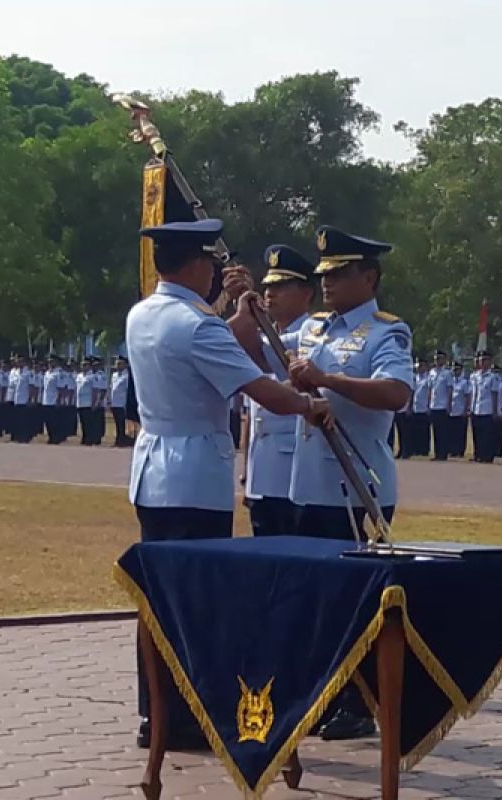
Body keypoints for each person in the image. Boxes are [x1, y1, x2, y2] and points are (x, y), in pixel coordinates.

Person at [128, 219, 332, 751]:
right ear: (197, 266)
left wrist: (240, 319)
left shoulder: (145, 313)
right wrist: (308, 404)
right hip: (194, 474)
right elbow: (259, 386)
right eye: (212, 267)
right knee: (194, 603)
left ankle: (156, 713)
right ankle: (185, 716)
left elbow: (215, 355)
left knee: (157, 600)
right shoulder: (198, 325)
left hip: (153, 469)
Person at [231, 224, 408, 743]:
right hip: (303, 485)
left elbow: (396, 392)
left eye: (340, 273)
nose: (327, 281)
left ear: (369, 277)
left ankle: (355, 702)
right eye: (325, 273)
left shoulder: (385, 332)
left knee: (347, 602)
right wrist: (243, 302)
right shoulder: (312, 330)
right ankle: (317, 695)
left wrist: (328, 382)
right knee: (309, 600)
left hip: (353, 486)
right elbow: (252, 353)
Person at [242, 243, 316, 537]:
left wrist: (241, 314)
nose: (270, 293)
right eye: (268, 285)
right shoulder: (266, 334)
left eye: (282, 286)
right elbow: (252, 411)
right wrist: (247, 468)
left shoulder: (312, 332)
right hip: (263, 465)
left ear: (307, 293)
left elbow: (258, 354)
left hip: (295, 464)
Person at [469, 351, 500, 463]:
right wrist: (470, 407)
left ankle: (487, 456)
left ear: (489, 362)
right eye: (481, 360)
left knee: (487, 435)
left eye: (485, 360)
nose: (482, 362)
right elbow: (472, 393)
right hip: (476, 408)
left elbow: (494, 394)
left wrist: (495, 411)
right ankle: (478, 454)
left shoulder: (493, 377)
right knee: (477, 433)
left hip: (487, 408)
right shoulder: (474, 376)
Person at [428, 351, 453, 461]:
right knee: (435, 430)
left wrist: (448, 404)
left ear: (444, 360)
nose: (437, 361)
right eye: (436, 358)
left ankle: (443, 454)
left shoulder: (447, 373)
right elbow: (430, 389)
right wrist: (428, 403)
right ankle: (437, 453)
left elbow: (450, 389)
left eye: (439, 358)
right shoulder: (431, 373)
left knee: (443, 431)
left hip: (442, 405)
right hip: (434, 405)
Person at [410, 357, 432, 458]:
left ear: (425, 367)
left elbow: (430, 392)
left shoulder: (428, 378)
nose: (419, 368)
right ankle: (416, 449)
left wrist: (428, 404)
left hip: (424, 407)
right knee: (415, 430)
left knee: (424, 431)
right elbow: (413, 392)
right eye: (418, 366)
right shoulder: (415, 378)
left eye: (421, 366)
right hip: (416, 406)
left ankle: (424, 450)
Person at [109, 356, 132, 447]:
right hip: (114, 402)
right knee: (117, 423)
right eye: (117, 363)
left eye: (120, 363)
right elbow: (112, 388)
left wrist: (127, 403)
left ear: (125, 365)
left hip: (122, 403)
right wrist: (109, 401)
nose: (117, 365)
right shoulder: (114, 375)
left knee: (122, 423)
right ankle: (118, 440)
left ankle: (122, 440)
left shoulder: (127, 376)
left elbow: (128, 390)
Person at [449, 361, 470, 458]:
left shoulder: (464, 382)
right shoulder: (450, 381)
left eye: (456, 369)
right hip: (452, 410)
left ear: (460, 370)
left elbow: (467, 396)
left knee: (461, 433)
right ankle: (452, 450)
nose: (454, 371)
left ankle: (460, 451)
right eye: (453, 369)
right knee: (452, 432)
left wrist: (466, 410)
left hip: (461, 410)